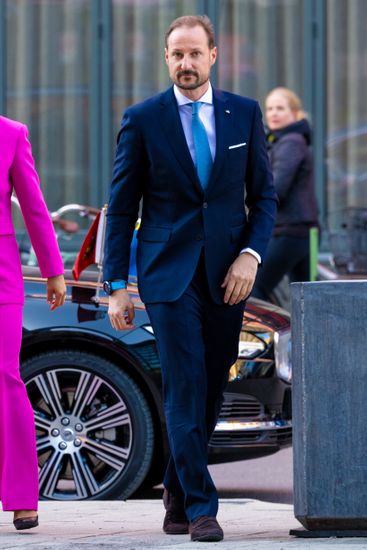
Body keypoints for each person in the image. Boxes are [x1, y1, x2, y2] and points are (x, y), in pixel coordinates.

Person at [103, 15, 276, 542]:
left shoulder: (243, 115)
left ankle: (176, 493)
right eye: (176, 54)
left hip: (228, 275)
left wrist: (250, 255)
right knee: (184, 385)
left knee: (210, 391)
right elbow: (121, 204)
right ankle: (203, 507)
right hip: (167, 276)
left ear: (213, 55)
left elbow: (264, 197)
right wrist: (116, 285)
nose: (186, 63)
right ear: (166, 58)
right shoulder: (143, 119)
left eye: (195, 54)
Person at [0, 115, 66, 529]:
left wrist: (53, 270)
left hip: (1, 278)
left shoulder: (11, 133)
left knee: (6, 378)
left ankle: (23, 495)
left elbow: (36, 207)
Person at [252, 87, 319, 303]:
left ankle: (269, 336)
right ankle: (301, 337)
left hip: (290, 231)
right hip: (301, 231)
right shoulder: (285, 141)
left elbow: (277, 187)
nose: (273, 113)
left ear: (295, 114)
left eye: (280, 108)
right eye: (270, 108)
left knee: (254, 287)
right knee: (305, 299)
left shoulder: (290, 142)